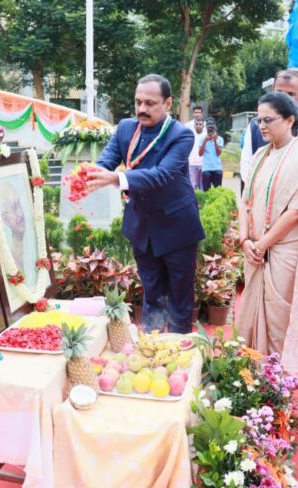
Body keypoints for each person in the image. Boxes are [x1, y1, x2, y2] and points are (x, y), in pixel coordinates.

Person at [86, 74, 204, 333]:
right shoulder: (126, 128)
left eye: (150, 103)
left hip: (177, 229)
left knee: (179, 297)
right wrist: (89, 174)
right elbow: (107, 159)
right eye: (138, 102)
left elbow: (162, 174)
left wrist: (117, 178)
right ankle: (151, 350)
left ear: (168, 103)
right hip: (142, 227)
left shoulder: (181, 136)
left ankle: (178, 353)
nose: (142, 109)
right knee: (151, 293)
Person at [236, 92, 298, 373]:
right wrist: (244, 240)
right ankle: (250, 377)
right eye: (258, 120)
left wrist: (261, 244)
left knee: (279, 320)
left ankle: (278, 385)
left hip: (283, 252)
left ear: (289, 120)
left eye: (268, 120)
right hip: (254, 250)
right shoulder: (261, 154)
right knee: (248, 319)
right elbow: (244, 199)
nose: (261, 126)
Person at [239, 69, 298, 185]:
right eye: (279, 92)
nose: (283, 99)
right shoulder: (255, 125)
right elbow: (246, 165)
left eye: (291, 94)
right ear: (273, 89)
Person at [0, 181, 37, 286]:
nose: (20, 214)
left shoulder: (35, 243)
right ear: (5, 219)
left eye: (20, 206)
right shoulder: (4, 251)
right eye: (14, 208)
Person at [199, 117, 224, 190]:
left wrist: (215, 141)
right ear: (206, 128)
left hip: (217, 168)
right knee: (206, 191)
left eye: (212, 129)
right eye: (209, 129)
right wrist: (205, 141)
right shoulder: (203, 138)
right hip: (206, 168)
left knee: (218, 191)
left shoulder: (220, 139)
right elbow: (200, 154)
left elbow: (218, 153)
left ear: (215, 128)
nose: (210, 131)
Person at [187, 117, 204, 190]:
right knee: (193, 185)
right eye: (197, 124)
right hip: (192, 163)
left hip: (204, 163)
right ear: (194, 125)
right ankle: (193, 201)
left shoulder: (206, 136)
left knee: (202, 185)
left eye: (200, 124)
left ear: (203, 125)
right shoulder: (190, 135)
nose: (198, 125)